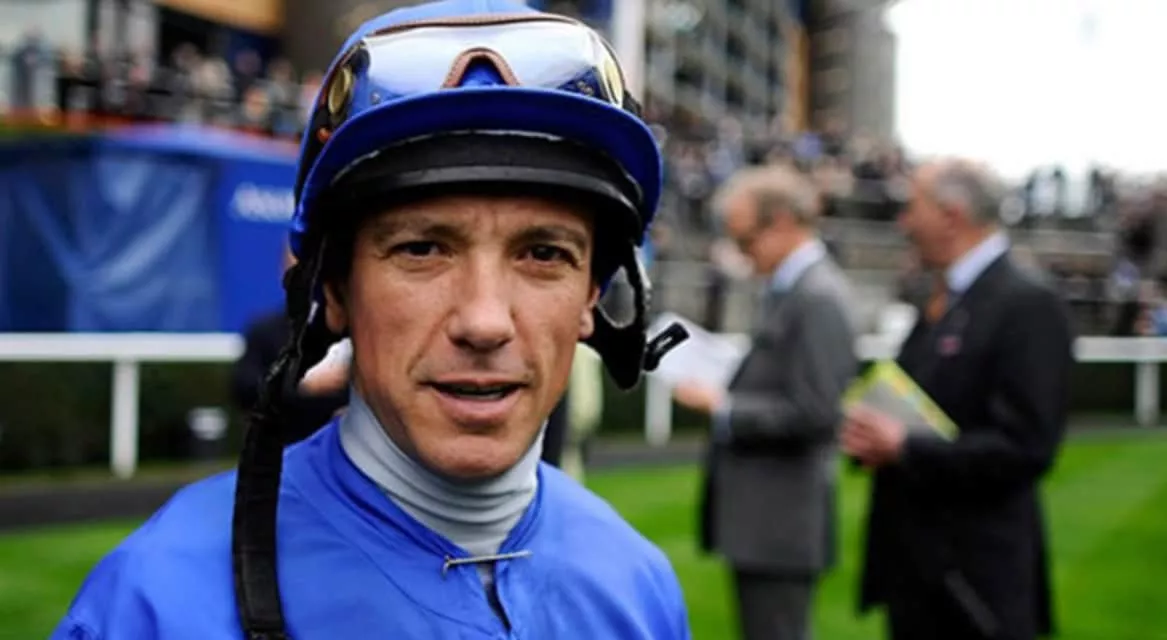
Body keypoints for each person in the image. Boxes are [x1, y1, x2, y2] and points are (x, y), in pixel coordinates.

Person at [52, 2, 692, 638]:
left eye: (544, 255)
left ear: (590, 298)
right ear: (334, 289)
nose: (484, 321)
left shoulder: (640, 585)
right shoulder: (153, 603)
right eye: (422, 249)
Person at [842, 159, 1074, 640]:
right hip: (918, 574)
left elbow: (1027, 447)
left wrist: (903, 447)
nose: (904, 223)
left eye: (913, 208)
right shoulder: (946, 296)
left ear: (951, 215)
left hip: (975, 587)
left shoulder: (1027, 302)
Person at [673, 165, 859, 640]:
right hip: (768, 524)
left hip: (781, 525)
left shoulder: (817, 296)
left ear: (781, 222)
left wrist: (725, 408)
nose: (741, 253)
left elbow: (818, 412)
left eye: (745, 239)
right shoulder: (792, 290)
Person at [231, 245, 347, 445]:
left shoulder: (355, 330)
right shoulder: (265, 331)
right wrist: (302, 387)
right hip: (282, 447)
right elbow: (245, 389)